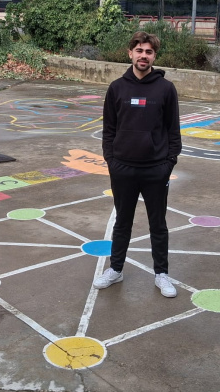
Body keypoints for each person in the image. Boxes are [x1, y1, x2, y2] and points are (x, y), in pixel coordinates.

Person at [93, 31, 182, 298]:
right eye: (139, 50)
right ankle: (116, 269)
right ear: (130, 53)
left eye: (149, 52)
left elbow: (173, 132)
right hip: (123, 168)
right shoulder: (117, 88)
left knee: (158, 223)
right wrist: (111, 160)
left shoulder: (165, 89)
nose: (144, 56)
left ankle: (161, 274)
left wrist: (168, 163)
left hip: (156, 169)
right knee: (123, 221)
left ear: (154, 56)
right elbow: (109, 129)